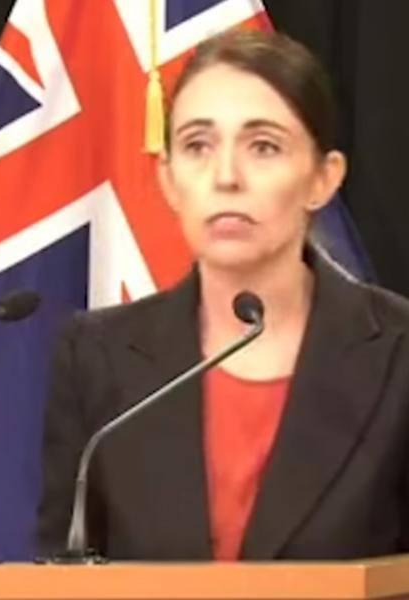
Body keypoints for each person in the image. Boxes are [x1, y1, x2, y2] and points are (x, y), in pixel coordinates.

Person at [37, 30, 409, 561]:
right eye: (197, 146)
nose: (227, 177)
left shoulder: (398, 353)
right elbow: (59, 572)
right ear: (169, 181)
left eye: (264, 147)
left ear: (323, 180)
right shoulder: (97, 358)